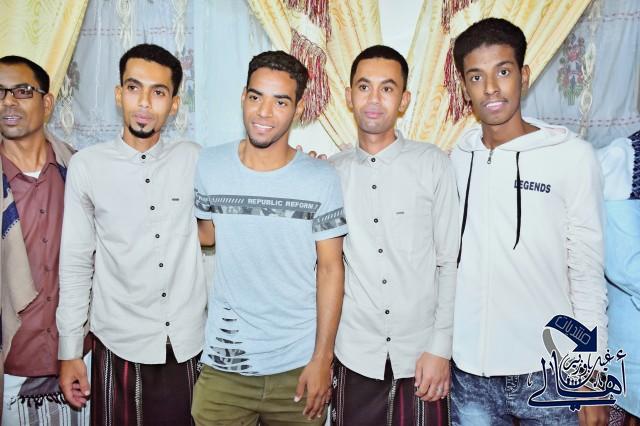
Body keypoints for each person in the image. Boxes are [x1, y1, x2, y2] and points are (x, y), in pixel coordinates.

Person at [450, 18, 608, 425]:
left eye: (502, 72)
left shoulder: (572, 157)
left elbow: (587, 276)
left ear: (523, 75)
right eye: (476, 77)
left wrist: (591, 377)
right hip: (470, 377)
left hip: (552, 376)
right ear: (464, 88)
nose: (490, 88)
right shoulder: (456, 159)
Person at [190, 50, 347, 425]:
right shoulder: (209, 164)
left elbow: (331, 269)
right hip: (225, 364)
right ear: (243, 97)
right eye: (256, 96)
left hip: (298, 366)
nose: (263, 112)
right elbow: (206, 235)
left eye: (280, 101)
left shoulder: (321, 178)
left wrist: (322, 359)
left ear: (299, 108)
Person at [56, 43, 207, 426]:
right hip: (118, 342)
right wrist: (70, 350)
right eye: (134, 88)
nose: (144, 102)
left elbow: (231, 216)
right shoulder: (88, 166)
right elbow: (75, 262)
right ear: (118, 94)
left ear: (174, 104)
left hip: (187, 344)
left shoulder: (194, 159)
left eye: (158, 92)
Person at [328, 45, 458, 425]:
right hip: (353, 353)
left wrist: (441, 348)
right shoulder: (329, 174)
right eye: (364, 87)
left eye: (387, 88)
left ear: (404, 100)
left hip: (420, 356)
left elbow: (449, 261)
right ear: (349, 95)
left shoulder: (432, 164)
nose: (374, 99)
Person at [0, 55, 89, 425]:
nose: (8, 102)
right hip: (10, 366)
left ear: (47, 102)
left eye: (22, 91)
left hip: (79, 360)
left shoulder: (80, 171)